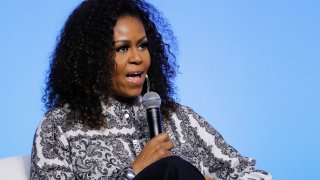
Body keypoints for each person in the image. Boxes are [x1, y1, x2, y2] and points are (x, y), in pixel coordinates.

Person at [30, 0, 273, 179]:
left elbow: (256, 176)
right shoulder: (59, 126)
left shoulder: (179, 119)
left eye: (143, 46)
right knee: (172, 168)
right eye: (122, 48)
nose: (138, 58)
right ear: (91, 58)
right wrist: (134, 170)